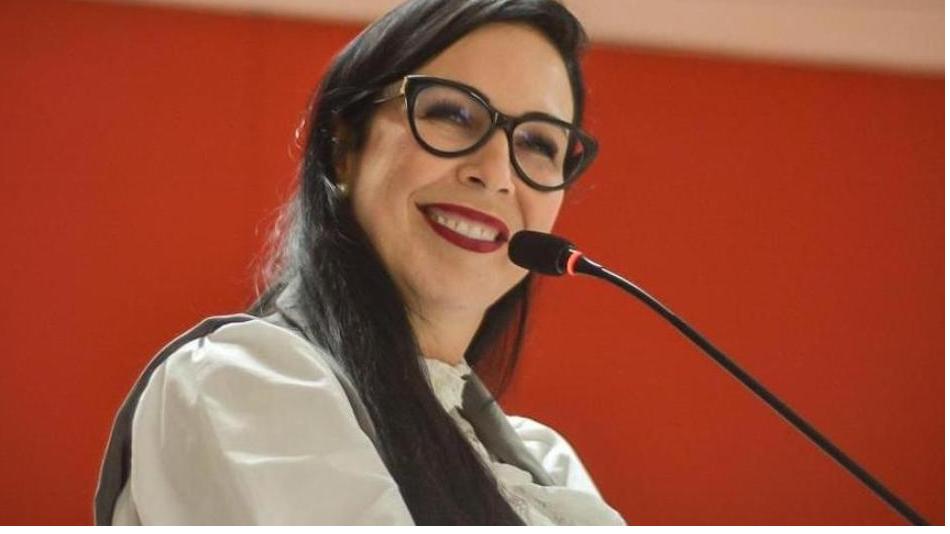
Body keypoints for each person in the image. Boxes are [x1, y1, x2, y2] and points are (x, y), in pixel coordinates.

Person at [95, 0, 626, 525]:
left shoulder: (548, 466)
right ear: (343, 146)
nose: (496, 172)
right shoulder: (240, 383)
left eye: (539, 143)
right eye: (451, 114)